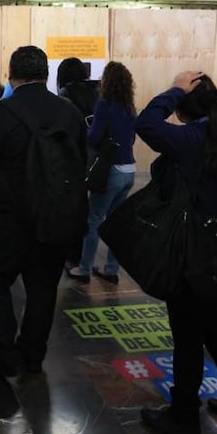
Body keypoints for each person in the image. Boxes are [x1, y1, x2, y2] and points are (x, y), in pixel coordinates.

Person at [136, 72, 217, 434]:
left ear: (182, 109)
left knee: (188, 335)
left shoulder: (194, 138)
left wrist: (174, 89)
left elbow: (146, 124)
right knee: (210, 326)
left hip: (195, 252)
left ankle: (183, 415)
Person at [0, 45, 86, 376]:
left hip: (7, 218)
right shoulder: (70, 113)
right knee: (43, 287)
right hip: (55, 217)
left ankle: (3, 355)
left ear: (10, 75)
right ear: (46, 74)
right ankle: (33, 356)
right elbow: (79, 165)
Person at [67, 61, 137, 284]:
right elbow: (131, 138)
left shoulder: (104, 105)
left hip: (110, 171)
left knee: (94, 220)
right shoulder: (129, 108)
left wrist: (85, 130)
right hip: (129, 169)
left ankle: (84, 268)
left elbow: (95, 137)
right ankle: (111, 269)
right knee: (116, 223)